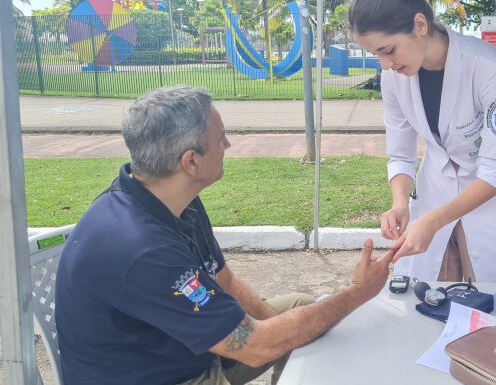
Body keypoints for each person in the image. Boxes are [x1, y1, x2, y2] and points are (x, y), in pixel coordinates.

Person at [55, 86, 393, 385]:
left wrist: (282, 330)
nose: (228, 145)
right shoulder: (142, 249)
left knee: (301, 313)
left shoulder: (172, 198)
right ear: (191, 161)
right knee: (286, 333)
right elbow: (255, 347)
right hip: (165, 375)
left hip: (182, 351)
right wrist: (358, 293)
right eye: (220, 139)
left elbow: (223, 278)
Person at [348, 0, 496, 283]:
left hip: (490, 205)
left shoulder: (487, 67)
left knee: (493, 309)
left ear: (420, 24)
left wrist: (432, 222)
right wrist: (400, 203)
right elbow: (401, 154)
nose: (385, 64)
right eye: (376, 54)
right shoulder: (394, 78)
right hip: (436, 193)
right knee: (431, 305)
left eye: (388, 50)